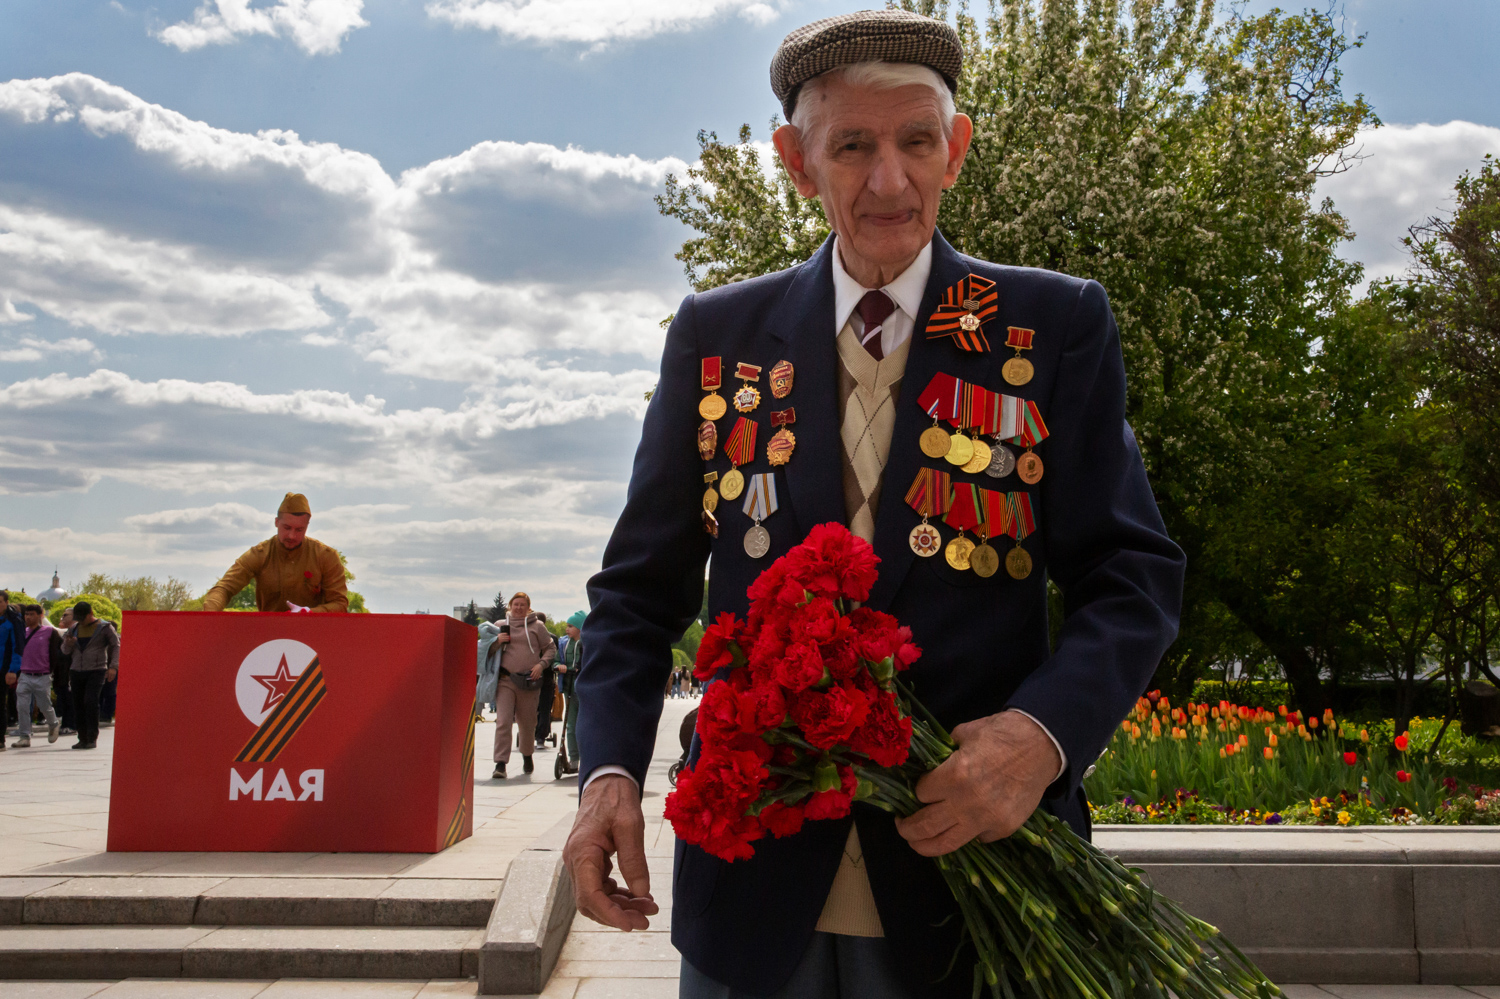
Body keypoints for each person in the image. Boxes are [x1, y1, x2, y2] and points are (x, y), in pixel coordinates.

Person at [564, 11, 1185, 999]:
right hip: (754, 897)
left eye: (916, 142)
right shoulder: (719, 333)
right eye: (852, 145)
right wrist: (605, 777)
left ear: (958, 149)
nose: (889, 180)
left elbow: (1132, 576)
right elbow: (638, 596)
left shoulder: (1051, 325)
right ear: (796, 161)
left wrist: (1040, 738)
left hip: (974, 886)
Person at [201, 493, 349, 613]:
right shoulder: (260, 554)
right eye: (287, 527)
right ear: (276, 522)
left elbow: (340, 604)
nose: (292, 536)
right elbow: (224, 588)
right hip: (268, 637)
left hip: (314, 636)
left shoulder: (326, 556)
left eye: (299, 530)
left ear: (307, 526)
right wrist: (210, 616)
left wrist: (309, 613)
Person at [491, 592, 555, 780]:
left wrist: (541, 665)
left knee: (527, 723)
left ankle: (527, 755)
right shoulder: (500, 626)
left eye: (523, 605)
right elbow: (485, 650)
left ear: (528, 608)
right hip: (505, 680)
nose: (519, 608)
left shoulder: (537, 626)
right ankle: (500, 763)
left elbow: (550, 648)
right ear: (510, 606)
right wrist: (497, 642)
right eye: (516, 604)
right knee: (503, 721)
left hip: (529, 681)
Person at [61, 601, 120, 750]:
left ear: (90, 614)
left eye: (82, 617)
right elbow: (65, 651)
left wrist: (113, 667)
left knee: (91, 702)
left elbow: (116, 645)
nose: (80, 621)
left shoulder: (105, 627)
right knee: (78, 704)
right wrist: (68, 643)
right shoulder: (74, 629)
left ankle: (92, 737)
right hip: (76, 670)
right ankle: (82, 738)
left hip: (96, 669)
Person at [9, 605, 61, 747]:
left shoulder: (49, 632)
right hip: (25, 674)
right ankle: (24, 736)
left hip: (42, 674)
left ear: (40, 615)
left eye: (31, 614)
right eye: (26, 614)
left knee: (45, 705)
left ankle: (53, 723)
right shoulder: (22, 632)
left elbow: (56, 653)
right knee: (22, 706)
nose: (28, 617)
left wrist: (53, 671)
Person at [554, 611, 584, 775]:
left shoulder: (588, 643)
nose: (567, 629)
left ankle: (587, 757)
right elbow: (556, 659)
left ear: (580, 627)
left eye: (570, 626)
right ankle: (574, 759)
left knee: (584, 725)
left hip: (584, 688)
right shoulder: (564, 643)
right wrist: (559, 665)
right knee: (571, 725)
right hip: (568, 686)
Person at [0, 592, 22, 741]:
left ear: (6, 602)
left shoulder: (13, 621)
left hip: (4, 668)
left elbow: (18, 647)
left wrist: (13, 670)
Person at [54, 607, 77, 735]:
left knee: (71, 699)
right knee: (64, 698)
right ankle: (66, 724)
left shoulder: (78, 631)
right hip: (62, 672)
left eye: (66, 615)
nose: (62, 618)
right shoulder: (67, 632)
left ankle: (72, 725)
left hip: (73, 670)